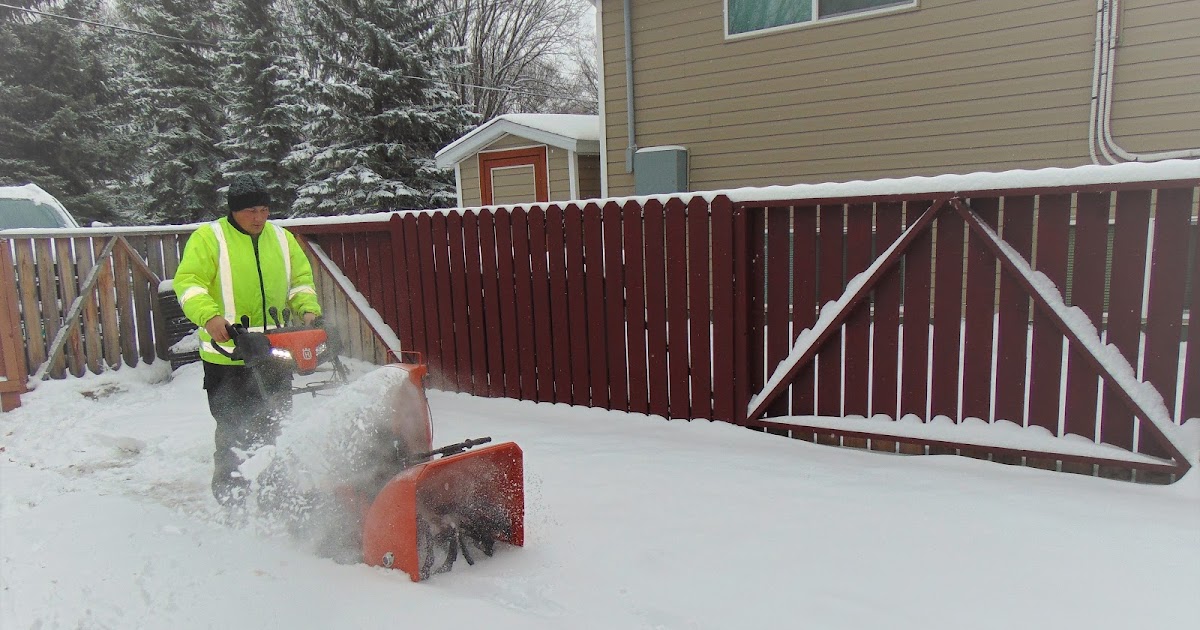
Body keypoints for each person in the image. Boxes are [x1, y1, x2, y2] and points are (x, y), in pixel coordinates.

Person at [173, 174, 322, 508]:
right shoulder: (209, 238)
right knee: (233, 430)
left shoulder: (282, 238)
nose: (259, 218)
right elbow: (189, 284)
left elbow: (300, 281)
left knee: (276, 426)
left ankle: (275, 494)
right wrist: (210, 317)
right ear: (234, 211)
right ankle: (233, 499)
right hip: (228, 356)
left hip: (273, 352)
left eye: (264, 210)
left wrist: (308, 310)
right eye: (251, 211)